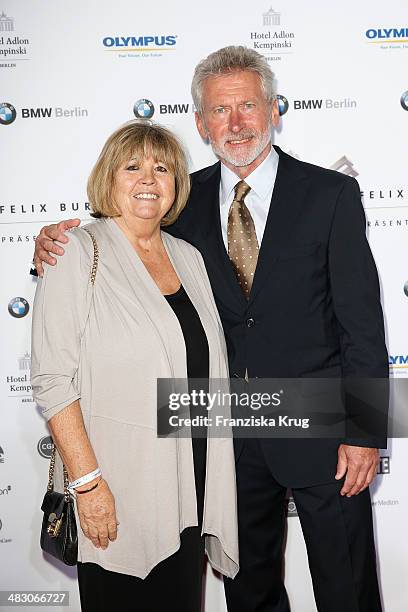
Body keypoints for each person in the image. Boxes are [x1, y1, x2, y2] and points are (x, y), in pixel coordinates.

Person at [33, 46, 388, 612]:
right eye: (221, 111)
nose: (237, 123)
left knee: (347, 590)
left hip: (323, 430)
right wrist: (51, 241)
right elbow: (121, 238)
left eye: (248, 106)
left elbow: (363, 323)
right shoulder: (182, 201)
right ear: (200, 122)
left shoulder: (329, 195)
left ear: (275, 110)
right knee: (249, 595)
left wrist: (365, 431)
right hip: (226, 439)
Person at [31, 121, 239, 612]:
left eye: (161, 168)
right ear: (110, 178)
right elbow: (52, 381)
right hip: (117, 487)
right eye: (133, 167)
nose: (149, 178)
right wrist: (89, 485)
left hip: (191, 482)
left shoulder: (189, 257)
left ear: (176, 185)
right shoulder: (76, 251)